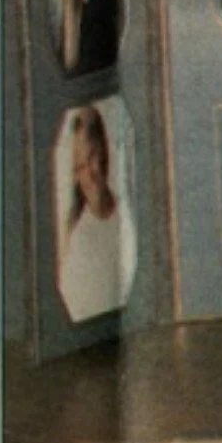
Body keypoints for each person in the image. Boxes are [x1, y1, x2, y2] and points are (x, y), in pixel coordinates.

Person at [59, 106, 135, 322]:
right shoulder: (79, 241)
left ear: (104, 151)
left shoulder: (129, 213)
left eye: (92, 156)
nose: (90, 175)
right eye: (81, 167)